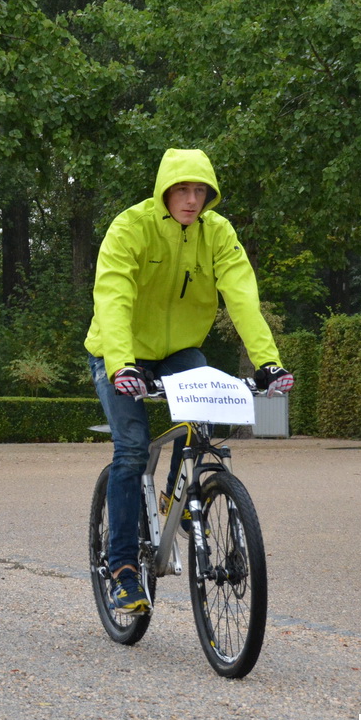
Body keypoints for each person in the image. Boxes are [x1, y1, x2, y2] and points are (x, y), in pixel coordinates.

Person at [84, 148, 292, 616]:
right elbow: (112, 296)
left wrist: (269, 364)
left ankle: (180, 495)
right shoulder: (130, 227)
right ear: (165, 190)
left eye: (201, 190)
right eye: (183, 189)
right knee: (132, 449)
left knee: (206, 419)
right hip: (119, 352)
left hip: (179, 352)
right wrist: (121, 364)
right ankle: (122, 571)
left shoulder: (218, 233)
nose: (192, 199)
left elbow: (242, 296)